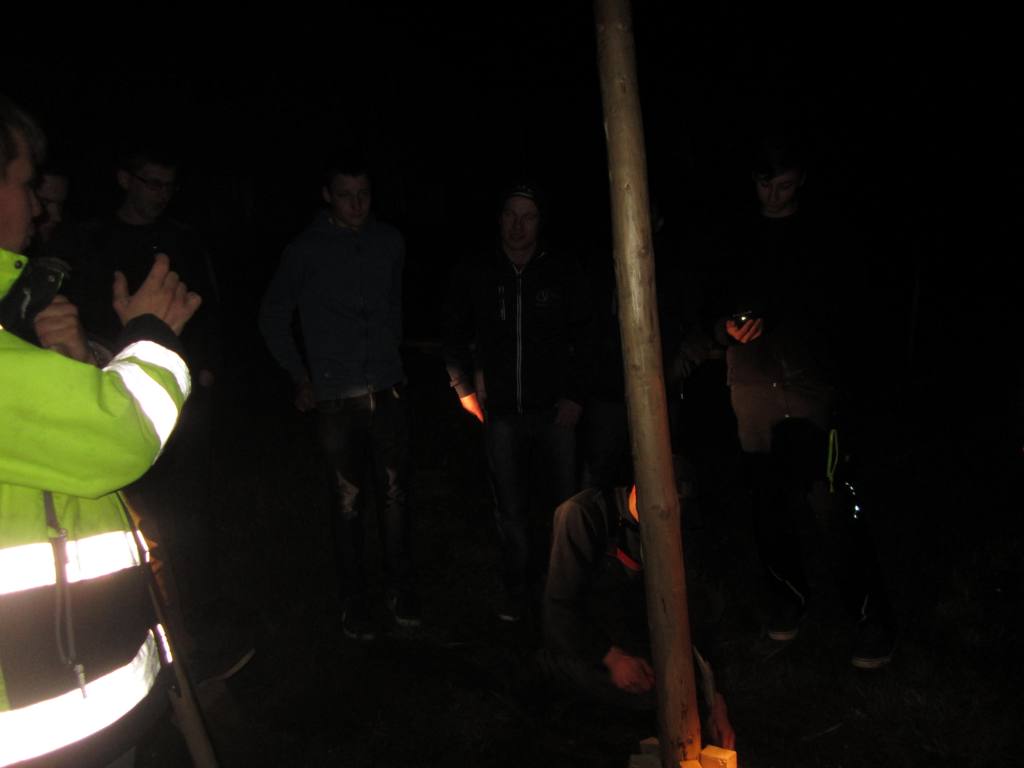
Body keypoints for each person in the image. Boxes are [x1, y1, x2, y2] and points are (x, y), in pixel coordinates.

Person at [0, 94, 202, 766]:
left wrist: (77, 359)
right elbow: (119, 432)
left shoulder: (178, 239)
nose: (38, 210)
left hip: (87, 665)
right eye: (26, 185)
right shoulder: (85, 246)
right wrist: (151, 336)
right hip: (43, 719)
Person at [711, 135, 896, 669]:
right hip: (751, 389)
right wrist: (725, 329)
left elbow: (846, 310)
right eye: (765, 185)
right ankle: (787, 601)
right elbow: (711, 306)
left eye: (785, 185)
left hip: (811, 391)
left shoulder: (824, 237)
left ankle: (869, 616)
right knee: (767, 501)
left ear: (802, 181)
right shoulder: (736, 237)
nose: (774, 195)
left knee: (830, 500)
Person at [259, 158, 418, 641]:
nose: (356, 204)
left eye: (363, 193)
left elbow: (394, 303)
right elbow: (272, 315)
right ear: (327, 195)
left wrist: (393, 355)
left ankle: (400, 591)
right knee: (348, 501)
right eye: (346, 194)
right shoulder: (305, 250)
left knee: (395, 496)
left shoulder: (390, 242)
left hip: (387, 390)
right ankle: (354, 602)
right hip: (335, 400)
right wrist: (301, 375)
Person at [442, 182, 597, 623]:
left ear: (540, 222)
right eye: (511, 215)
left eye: (528, 216)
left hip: (556, 413)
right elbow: (452, 329)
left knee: (564, 507)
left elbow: (588, 336)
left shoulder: (562, 270)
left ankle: (564, 594)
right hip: (502, 413)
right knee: (510, 509)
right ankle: (517, 589)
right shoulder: (478, 270)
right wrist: (463, 387)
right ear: (499, 218)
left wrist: (575, 395)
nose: (518, 225)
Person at [540, 483, 735, 750]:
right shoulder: (583, 515)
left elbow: (699, 619)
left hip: (634, 633)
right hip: (587, 639)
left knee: (676, 689)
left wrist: (716, 700)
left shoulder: (684, 526)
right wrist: (611, 658)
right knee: (649, 695)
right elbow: (559, 610)